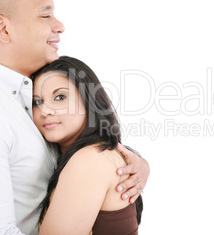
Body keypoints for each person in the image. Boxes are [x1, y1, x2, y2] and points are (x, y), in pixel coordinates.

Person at [0, 0, 149, 235]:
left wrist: (135, 163)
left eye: (59, 97)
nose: (60, 25)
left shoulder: (25, 88)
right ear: (3, 28)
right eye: (45, 15)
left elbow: (75, 152)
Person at [32, 56, 142, 234]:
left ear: (89, 100)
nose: (45, 111)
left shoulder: (90, 159)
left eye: (60, 97)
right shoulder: (95, 153)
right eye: (37, 102)